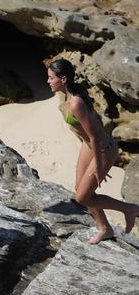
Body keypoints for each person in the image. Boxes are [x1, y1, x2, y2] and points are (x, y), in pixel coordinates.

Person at [47, 59, 139, 244]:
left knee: (81, 198)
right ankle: (105, 228)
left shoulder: (75, 103)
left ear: (63, 79)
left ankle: (129, 209)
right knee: (81, 191)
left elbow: (95, 136)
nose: (48, 81)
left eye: (51, 78)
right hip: (88, 146)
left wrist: (97, 165)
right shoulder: (68, 96)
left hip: (103, 149)